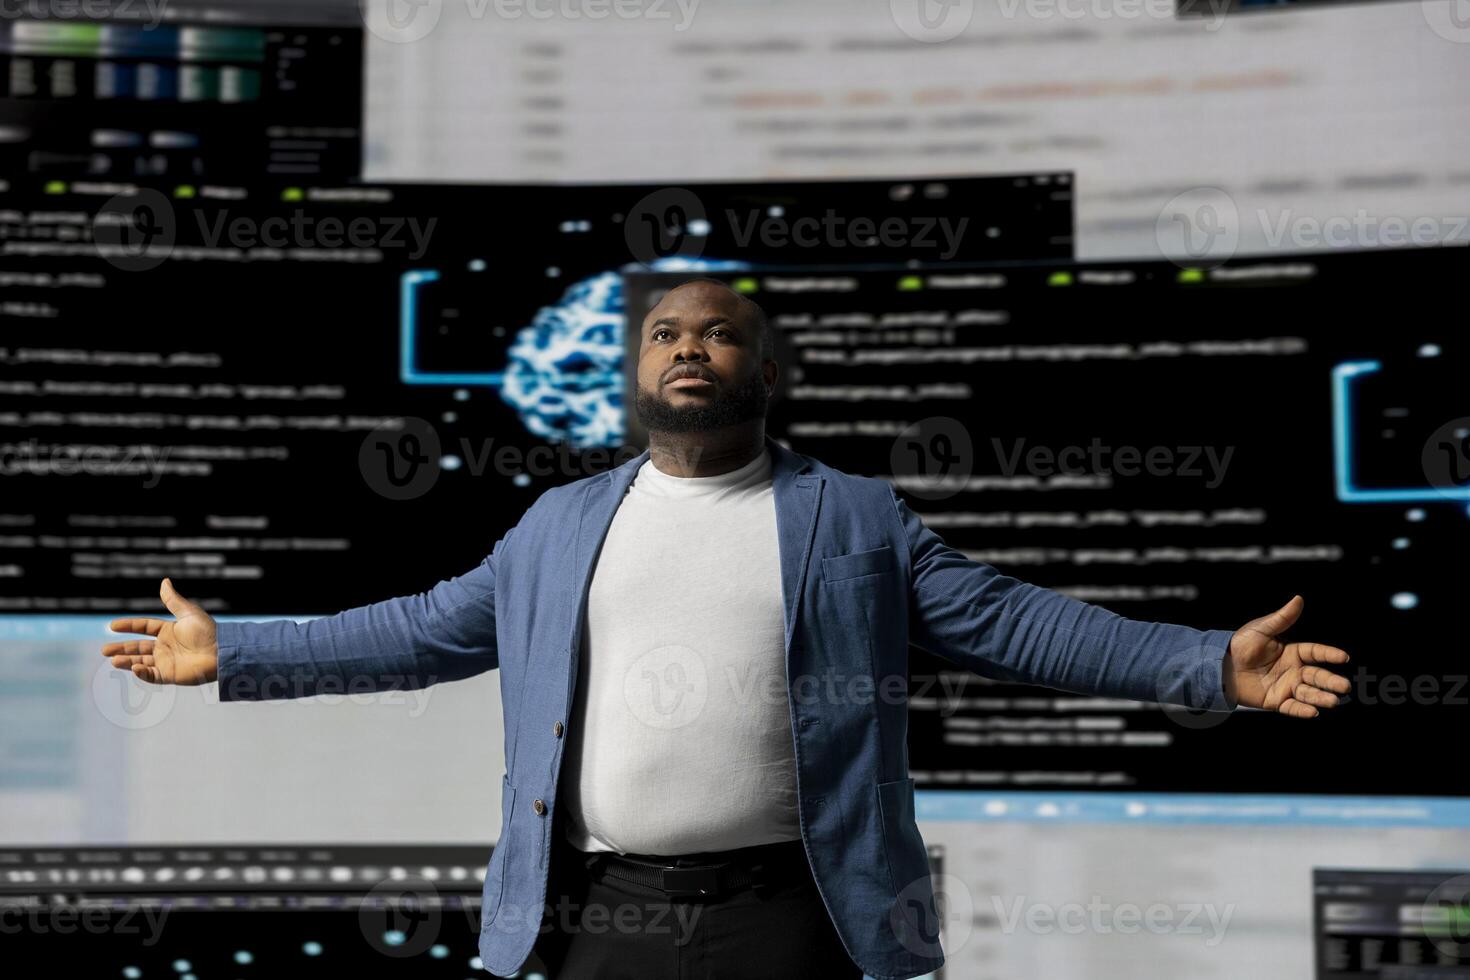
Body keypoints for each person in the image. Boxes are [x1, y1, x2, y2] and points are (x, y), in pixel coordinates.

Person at [101, 278, 1351, 980]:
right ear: (638, 372)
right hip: (598, 917)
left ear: (765, 370)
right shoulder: (555, 527)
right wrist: (240, 651)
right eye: (665, 332)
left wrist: (1208, 664)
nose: (689, 346)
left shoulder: (851, 517)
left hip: (796, 914)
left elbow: (1013, 622)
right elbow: (427, 629)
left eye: (720, 333)